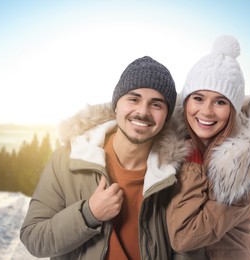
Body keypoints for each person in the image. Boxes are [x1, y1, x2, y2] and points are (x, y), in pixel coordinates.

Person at [20, 56, 188, 259]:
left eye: (156, 105)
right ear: (116, 105)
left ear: (167, 116)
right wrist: (89, 214)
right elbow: (34, 239)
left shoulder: (177, 173)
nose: (143, 112)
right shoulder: (67, 160)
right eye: (133, 99)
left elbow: (186, 249)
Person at [166, 35, 250, 260]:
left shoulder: (239, 166)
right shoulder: (178, 141)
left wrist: (193, 164)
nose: (207, 111)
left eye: (220, 102)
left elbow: (183, 237)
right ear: (186, 101)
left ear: (233, 110)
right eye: (198, 98)